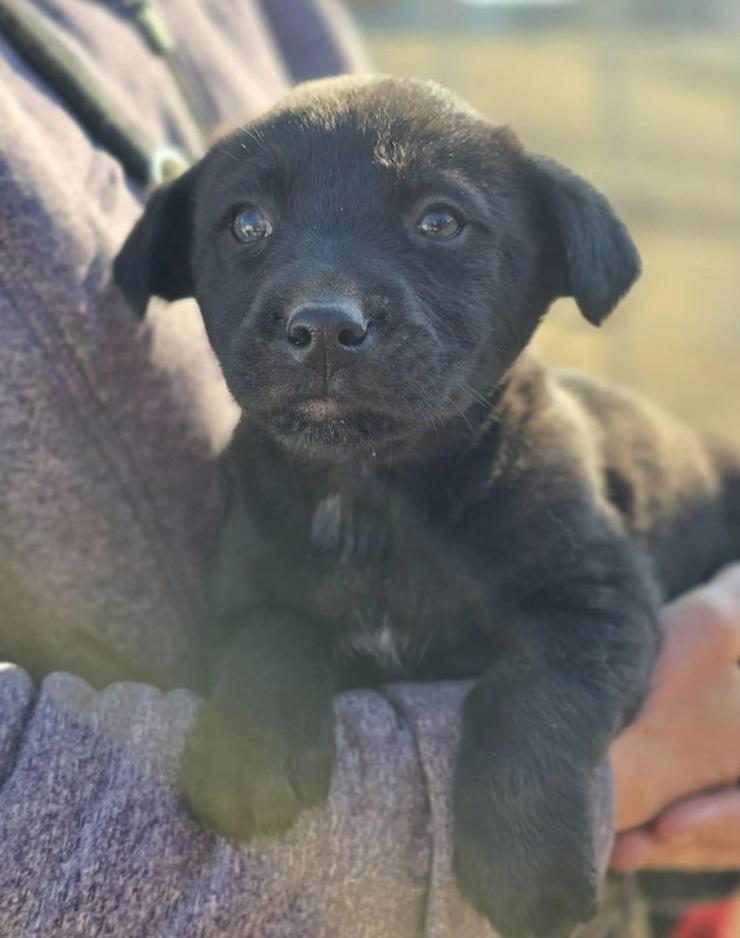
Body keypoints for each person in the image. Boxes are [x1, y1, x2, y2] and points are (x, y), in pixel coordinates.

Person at [0, 2, 738, 936]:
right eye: (249, 224)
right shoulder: (258, 505)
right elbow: (264, 614)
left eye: (440, 219)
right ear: (181, 260)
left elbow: (596, 613)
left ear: (552, 261)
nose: (324, 308)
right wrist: (267, 681)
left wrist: (535, 766)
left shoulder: (536, 476)